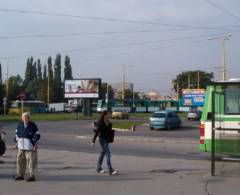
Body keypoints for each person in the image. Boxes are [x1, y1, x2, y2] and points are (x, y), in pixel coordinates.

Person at [14, 112, 40, 182]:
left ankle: (32, 176)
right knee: (20, 162)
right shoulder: (19, 125)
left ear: (29, 118)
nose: (26, 119)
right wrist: (16, 143)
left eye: (27, 117)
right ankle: (20, 175)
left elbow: (37, 135)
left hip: (30, 148)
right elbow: (16, 134)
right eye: (24, 117)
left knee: (31, 162)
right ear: (22, 118)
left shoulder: (33, 125)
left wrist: (35, 144)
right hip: (21, 148)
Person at [91, 111, 117, 175]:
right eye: (108, 114)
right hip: (102, 140)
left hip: (107, 140)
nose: (109, 115)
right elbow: (97, 133)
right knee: (108, 154)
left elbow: (108, 132)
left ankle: (98, 168)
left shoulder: (109, 123)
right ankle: (110, 170)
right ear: (105, 115)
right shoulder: (101, 123)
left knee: (102, 154)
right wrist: (93, 141)